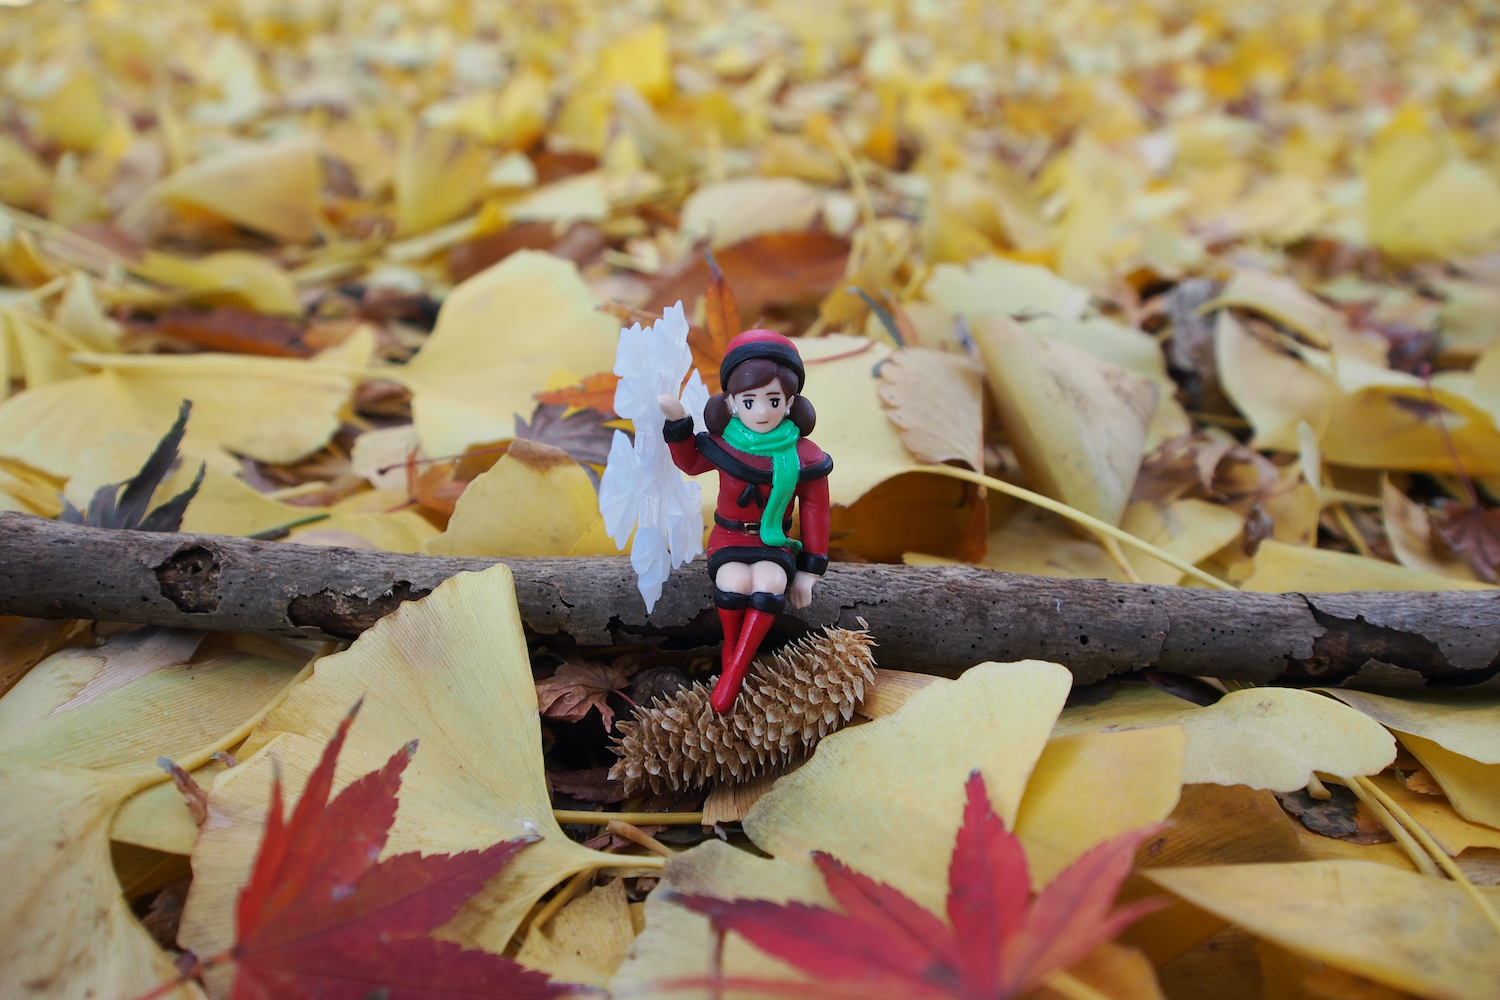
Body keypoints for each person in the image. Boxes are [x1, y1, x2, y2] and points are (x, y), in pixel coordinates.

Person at [657, 330, 832, 713]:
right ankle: (731, 661)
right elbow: (688, 462)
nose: (763, 411)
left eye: (773, 400)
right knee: (733, 581)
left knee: (770, 582)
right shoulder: (724, 445)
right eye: (750, 401)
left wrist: (809, 572)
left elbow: (816, 510)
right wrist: (678, 422)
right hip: (729, 537)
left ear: (790, 403)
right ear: (732, 403)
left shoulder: (805, 456)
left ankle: (732, 674)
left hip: (773, 543)